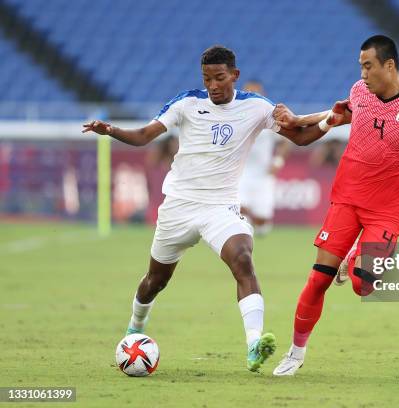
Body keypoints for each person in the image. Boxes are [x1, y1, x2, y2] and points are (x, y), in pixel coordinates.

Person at [82, 45, 342, 373]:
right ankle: (135, 328)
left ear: (234, 76)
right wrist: (111, 130)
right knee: (155, 280)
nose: (213, 85)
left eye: (219, 78)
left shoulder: (256, 108)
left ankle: (253, 344)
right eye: (207, 79)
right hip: (178, 206)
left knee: (243, 259)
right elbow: (145, 135)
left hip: (219, 208)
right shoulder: (187, 103)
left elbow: (300, 138)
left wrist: (329, 122)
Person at [270, 35, 399, 376]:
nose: (363, 73)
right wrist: (299, 120)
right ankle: (295, 353)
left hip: (387, 210)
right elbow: (337, 114)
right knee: (318, 279)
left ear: (389, 65)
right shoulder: (360, 92)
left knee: (362, 284)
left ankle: (356, 255)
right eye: (361, 66)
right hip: (347, 200)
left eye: (368, 66)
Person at [239, 80, 291, 235]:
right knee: (238, 215)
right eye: (249, 92)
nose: (252, 96)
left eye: (256, 92)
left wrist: (278, 160)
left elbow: (285, 141)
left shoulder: (271, 116)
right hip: (240, 174)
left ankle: (254, 219)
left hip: (264, 175)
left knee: (263, 227)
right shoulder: (235, 116)